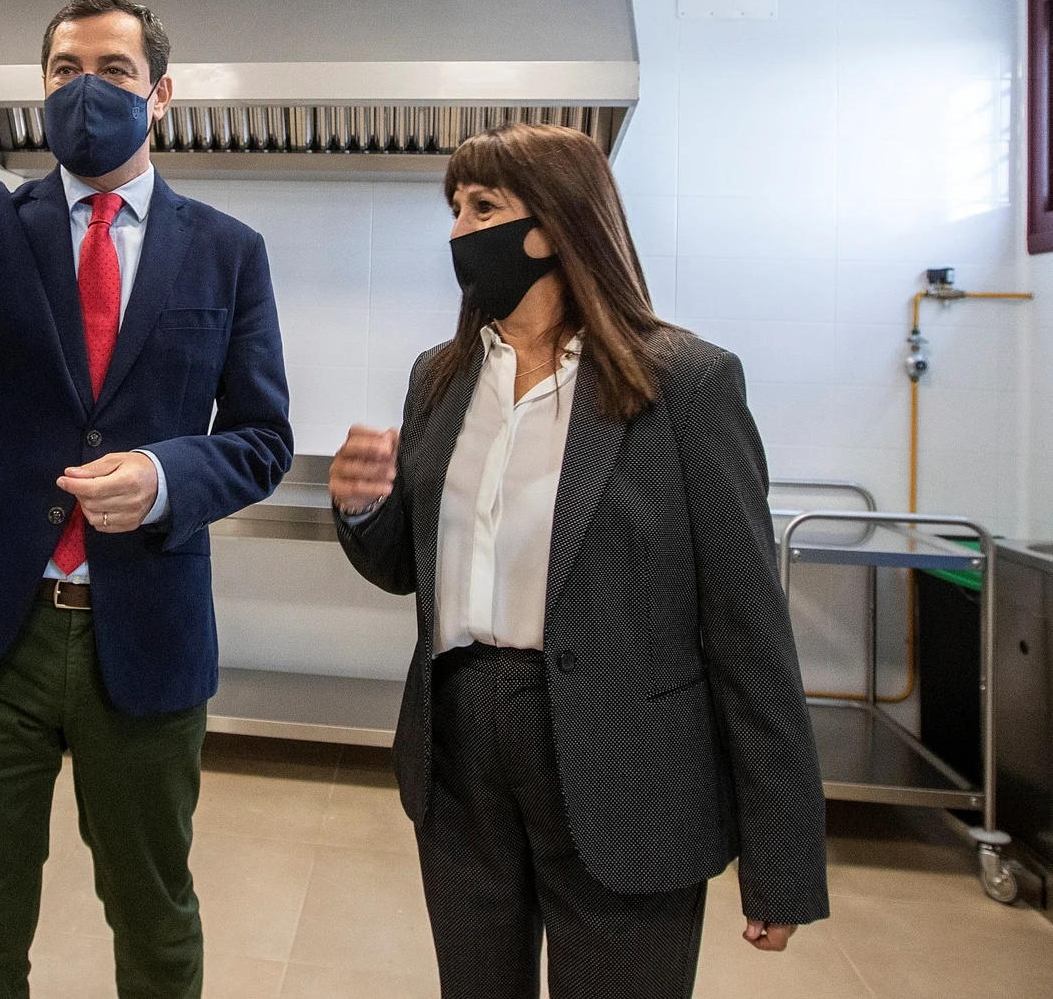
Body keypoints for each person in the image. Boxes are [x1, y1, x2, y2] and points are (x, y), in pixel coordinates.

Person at [0, 0, 291, 999]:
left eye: (114, 70)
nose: (87, 89)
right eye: (64, 70)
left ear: (159, 95)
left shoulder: (228, 251)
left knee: (154, 918)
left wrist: (165, 476)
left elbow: (262, 440)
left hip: (145, 630)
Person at [328, 122, 828, 999]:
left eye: (483, 207)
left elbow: (750, 629)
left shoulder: (686, 384)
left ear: (555, 225)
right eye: (454, 208)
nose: (458, 230)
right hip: (460, 744)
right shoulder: (440, 377)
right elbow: (410, 566)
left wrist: (781, 859)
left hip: (625, 759)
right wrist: (364, 506)